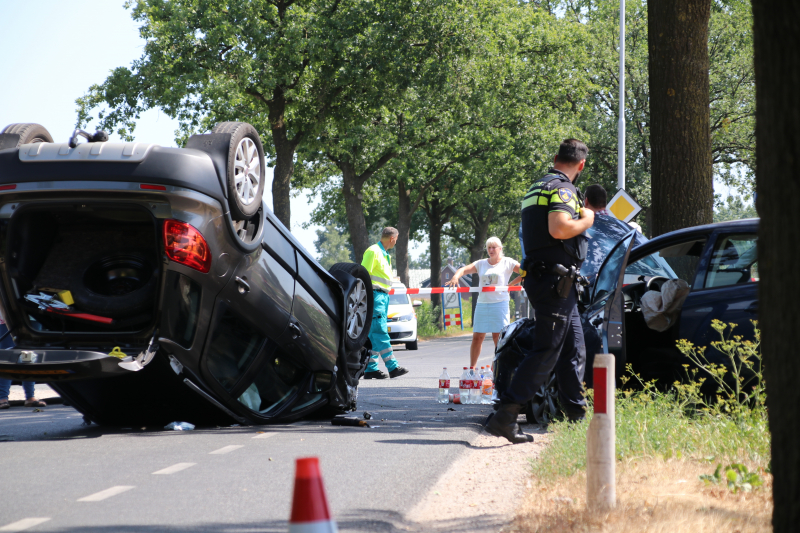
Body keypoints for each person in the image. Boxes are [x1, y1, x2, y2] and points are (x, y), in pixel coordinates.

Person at [486, 138, 594, 444]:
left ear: (556, 156)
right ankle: (505, 416)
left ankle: (577, 416)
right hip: (553, 282)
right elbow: (559, 228)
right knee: (547, 349)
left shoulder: (537, 186)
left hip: (552, 280)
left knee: (573, 347)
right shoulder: (563, 189)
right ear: (581, 165)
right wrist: (587, 218)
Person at [446, 237, 521, 367]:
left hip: (500, 304)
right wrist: (455, 276)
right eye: (489, 248)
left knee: (498, 339)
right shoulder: (481, 263)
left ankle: (495, 368)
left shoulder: (507, 262)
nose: (491, 250)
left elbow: (525, 271)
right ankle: (472, 369)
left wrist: (511, 285)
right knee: (477, 337)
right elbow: (463, 270)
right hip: (482, 304)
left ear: (500, 249)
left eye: (494, 247)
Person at [361, 227, 409, 379]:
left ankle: (370, 369)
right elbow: (363, 275)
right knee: (380, 331)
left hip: (381, 296)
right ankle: (393, 367)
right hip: (375, 296)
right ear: (393, 239)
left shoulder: (383, 254)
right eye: (397, 239)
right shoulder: (373, 251)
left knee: (374, 334)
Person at [0, 321, 46, 409]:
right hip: (5, 317)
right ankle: (2, 397)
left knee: (30, 355)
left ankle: (30, 397)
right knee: (6, 356)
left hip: (32, 316)